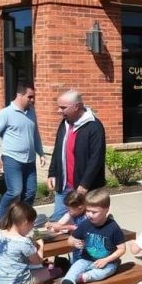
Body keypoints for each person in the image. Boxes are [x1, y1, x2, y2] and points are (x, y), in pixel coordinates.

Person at [0, 82, 47, 223]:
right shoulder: (6, 113)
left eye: (34, 97)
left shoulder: (31, 112)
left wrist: (41, 153)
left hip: (30, 160)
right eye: (30, 97)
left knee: (30, 192)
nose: (32, 100)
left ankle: (23, 220)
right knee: (15, 191)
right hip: (12, 159)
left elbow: (35, 134)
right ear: (19, 95)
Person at [48, 90, 106, 220]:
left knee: (83, 226)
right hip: (63, 186)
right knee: (58, 222)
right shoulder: (64, 124)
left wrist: (85, 184)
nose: (59, 111)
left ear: (76, 106)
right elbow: (58, 150)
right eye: (59, 107)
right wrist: (52, 173)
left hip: (85, 189)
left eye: (63, 107)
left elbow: (96, 159)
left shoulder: (94, 127)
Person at [61, 189, 126, 284]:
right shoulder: (85, 224)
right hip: (86, 259)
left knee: (106, 271)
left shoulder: (113, 227)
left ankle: (85, 277)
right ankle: (69, 278)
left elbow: (122, 249)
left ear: (106, 210)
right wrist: (74, 243)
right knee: (76, 266)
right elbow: (70, 240)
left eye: (94, 212)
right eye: (87, 211)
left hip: (107, 262)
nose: (89, 215)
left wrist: (106, 260)